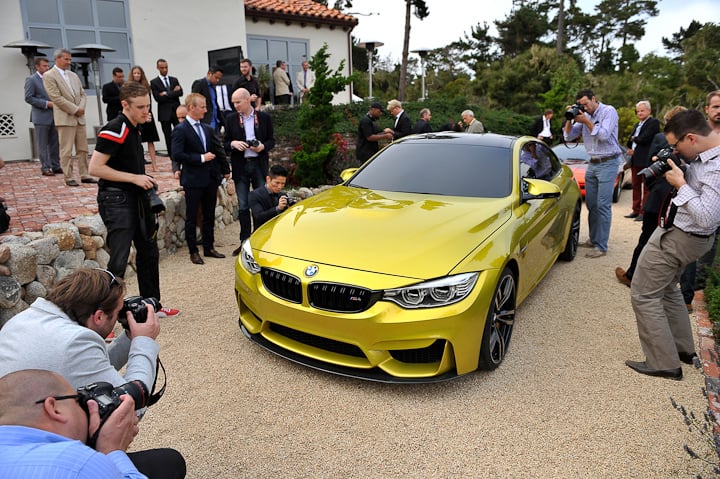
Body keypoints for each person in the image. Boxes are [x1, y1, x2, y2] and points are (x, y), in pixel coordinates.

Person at [626, 109, 720, 380]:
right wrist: (681, 167)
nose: (673, 148)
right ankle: (681, 350)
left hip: (681, 237)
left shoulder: (715, 167)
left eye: (675, 144)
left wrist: (681, 183)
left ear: (690, 138)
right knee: (668, 288)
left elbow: (706, 217)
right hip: (686, 237)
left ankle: (662, 362)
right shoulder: (705, 159)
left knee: (643, 294)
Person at [89, 82, 180, 318]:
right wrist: (134, 178)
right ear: (124, 105)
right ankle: (104, 316)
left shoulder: (135, 126)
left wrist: (141, 179)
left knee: (149, 252)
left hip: (137, 198)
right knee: (118, 259)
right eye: (140, 106)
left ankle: (152, 306)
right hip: (116, 199)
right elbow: (95, 168)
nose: (146, 111)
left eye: (148, 105)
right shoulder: (115, 127)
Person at [0, 369, 186, 479]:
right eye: (78, 400)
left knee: (167, 462)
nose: (87, 407)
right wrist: (112, 449)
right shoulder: (74, 462)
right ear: (54, 408)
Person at [615, 106, 686, 289]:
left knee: (646, 239)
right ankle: (680, 293)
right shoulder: (693, 144)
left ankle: (632, 276)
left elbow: (648, 169)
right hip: (679, 202)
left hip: (660, 200)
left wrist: (656, 188)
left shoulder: (661, 138)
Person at [171, 93, 231, 265]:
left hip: (210, 179)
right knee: (191, 216)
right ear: (192, 108)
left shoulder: (207, 128)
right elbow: (176, 154)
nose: (206, 110)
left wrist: (224, 170)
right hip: (193, 180)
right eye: (203, 107)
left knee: (209, 215)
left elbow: (217, 150)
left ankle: (209, 247)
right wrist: (201, 158)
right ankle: (193, 251)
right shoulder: (180, 130)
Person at [563, 89, 622, 258]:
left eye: (586, 104)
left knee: (603, 205)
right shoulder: (583, 115)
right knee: (591, 204)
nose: (585, 108)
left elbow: (603, 135)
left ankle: (601, 246)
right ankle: (593, 239)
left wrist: (586, 121)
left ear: (594, 99)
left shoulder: (608, 111)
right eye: (581, 105)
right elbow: (568, 137)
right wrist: (570, 118)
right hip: (593, 163)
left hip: (608, 162)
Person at [224, 88, 276, 253]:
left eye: (238, 102)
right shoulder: (231, 119)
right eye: (233, 102)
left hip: (259, 164)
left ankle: (262, 241)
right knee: (243, 206)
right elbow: (224, 144)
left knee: (262, 203)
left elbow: (272, 140)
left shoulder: (264, 118)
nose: (235, 105)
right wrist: (233, 144)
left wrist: (262, 146)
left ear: (248, 100)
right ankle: (245, 241)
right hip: (241, 166)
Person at [42, 49, 97, 187]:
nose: (69, 62)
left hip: (79, 118)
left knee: (83, 148)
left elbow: (82, 94)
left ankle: (85, 174)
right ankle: (69, 176)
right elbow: (56, 98)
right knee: (66, 150)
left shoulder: (73, 75)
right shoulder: (49, 75)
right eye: (66, 59)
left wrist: (81, 108)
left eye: (70, 59)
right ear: (57, 59)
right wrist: (75, 109)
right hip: (65, 118)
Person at [24, 57, 61, 177]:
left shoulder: (51, 78)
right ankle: (45, 167)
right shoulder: (31, 80)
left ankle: (56, 165)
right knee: (42, 144)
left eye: (47, 65)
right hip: (41, 117)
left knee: (55, 143)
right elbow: (29, 97)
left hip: (54, 116)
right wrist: (46, 104)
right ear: (37, 67)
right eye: (44, 66)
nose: (47, 68)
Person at [624, 100, 660, 221]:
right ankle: (636, 209)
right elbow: (631, 140)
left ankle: (644, 212)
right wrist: (630, 146)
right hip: (635, 159)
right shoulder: (637, 125)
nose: (639, 113)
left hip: (646, 159)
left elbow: (644, 138)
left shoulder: (653, 122)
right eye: (638, 111)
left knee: (646, 186)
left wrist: (635, 138)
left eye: (642, 110)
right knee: (635, 185)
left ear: (649, 111)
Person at [130, 66, 161, 172]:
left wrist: (147, 114)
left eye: (138, 73)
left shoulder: (146, 87)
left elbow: (149, 102)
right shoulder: (129, 87)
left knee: (150, 140)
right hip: (135, 117)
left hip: (147, 114)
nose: (137, 75)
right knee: (136, 141)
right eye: (135, 73)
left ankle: (154, 165)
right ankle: (138, 166)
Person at [150, 59, 183, 158]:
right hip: (164, 113)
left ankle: (181, 151)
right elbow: (158, 98)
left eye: (166, 67)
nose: (165, 70)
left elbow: (180, 93)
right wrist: (173, 92)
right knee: (168, 135)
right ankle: (172, 155)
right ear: (157, 68)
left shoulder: (174, 79)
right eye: (162, 68)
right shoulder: (154, 82)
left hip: (177, 111)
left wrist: (166, 93)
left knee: (180, 132)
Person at [249, 164, 290, 229]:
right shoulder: (254, 195)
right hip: (262, 233)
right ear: (268, 179)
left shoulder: (283, 195)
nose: (280, 187)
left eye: (283, 184)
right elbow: (259, 217)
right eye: (277, 183)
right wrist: (278, 208)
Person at [191, 66, 224, 133]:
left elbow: (214, 104)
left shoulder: (213, 87)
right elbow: (194, 101)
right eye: (216, 77)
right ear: (209, 74)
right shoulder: (199, 84)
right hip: (205, 120)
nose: (217, 80)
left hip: (216, 120)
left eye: (219, 79)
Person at [171, 105, 188, 182]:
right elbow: (175, 153)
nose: (181, 120)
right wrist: (176, 169)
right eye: (178, 118)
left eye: (183, 117)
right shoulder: (177, 132)